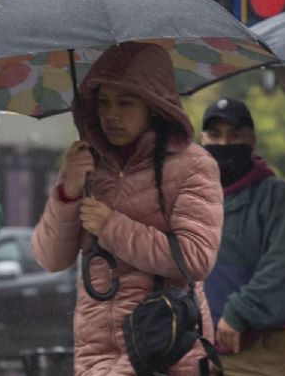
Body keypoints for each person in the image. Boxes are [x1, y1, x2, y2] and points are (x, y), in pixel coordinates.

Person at [31, 42, 225, 375]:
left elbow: (195, 259)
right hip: (97, 352)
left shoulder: (193, 165)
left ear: (154, 106)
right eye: (103, 102)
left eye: (125, 103)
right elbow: (50, 258)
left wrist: (111, 227)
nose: (111, 115)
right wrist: (67, 193)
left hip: (164, 349)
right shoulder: (86, 163)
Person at [199, 97, 285, 376]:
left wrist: (238, 313)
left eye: (234, 135)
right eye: (214, 134)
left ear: (252, 139)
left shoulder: (276, 196)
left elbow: (284, 267)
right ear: (201, 138)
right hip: (196, 349)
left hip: (259, 350)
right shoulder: (191, 195)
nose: (223, 144)